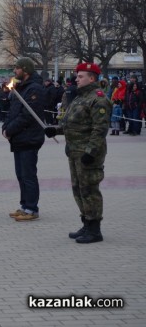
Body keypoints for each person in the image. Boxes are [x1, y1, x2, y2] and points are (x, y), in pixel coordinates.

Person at [45, 62, 112, 243]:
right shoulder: (79, 97)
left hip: (88, 153)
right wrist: (56, 130)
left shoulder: (98, 99)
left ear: (92, 78)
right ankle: (86, 223)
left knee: (89, 189)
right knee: (78, 189)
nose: (77, 79)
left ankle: (95, 229)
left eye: (81, 76)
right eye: (77, 76)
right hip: (74, 151)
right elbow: (72, 123)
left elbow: (100, 129)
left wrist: (90, 152)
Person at [2, 58, 46, 222]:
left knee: (28, 175)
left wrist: (10, 129)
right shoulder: (19, 87)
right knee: (21, 174)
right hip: (19, 138)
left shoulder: (34, 89)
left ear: (25, 70)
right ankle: (24, 205)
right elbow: (12, 111)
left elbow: (27, 116)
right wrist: (5, 127)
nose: (15, 71)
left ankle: (32, 208)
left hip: (29, 137)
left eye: (17, 68)